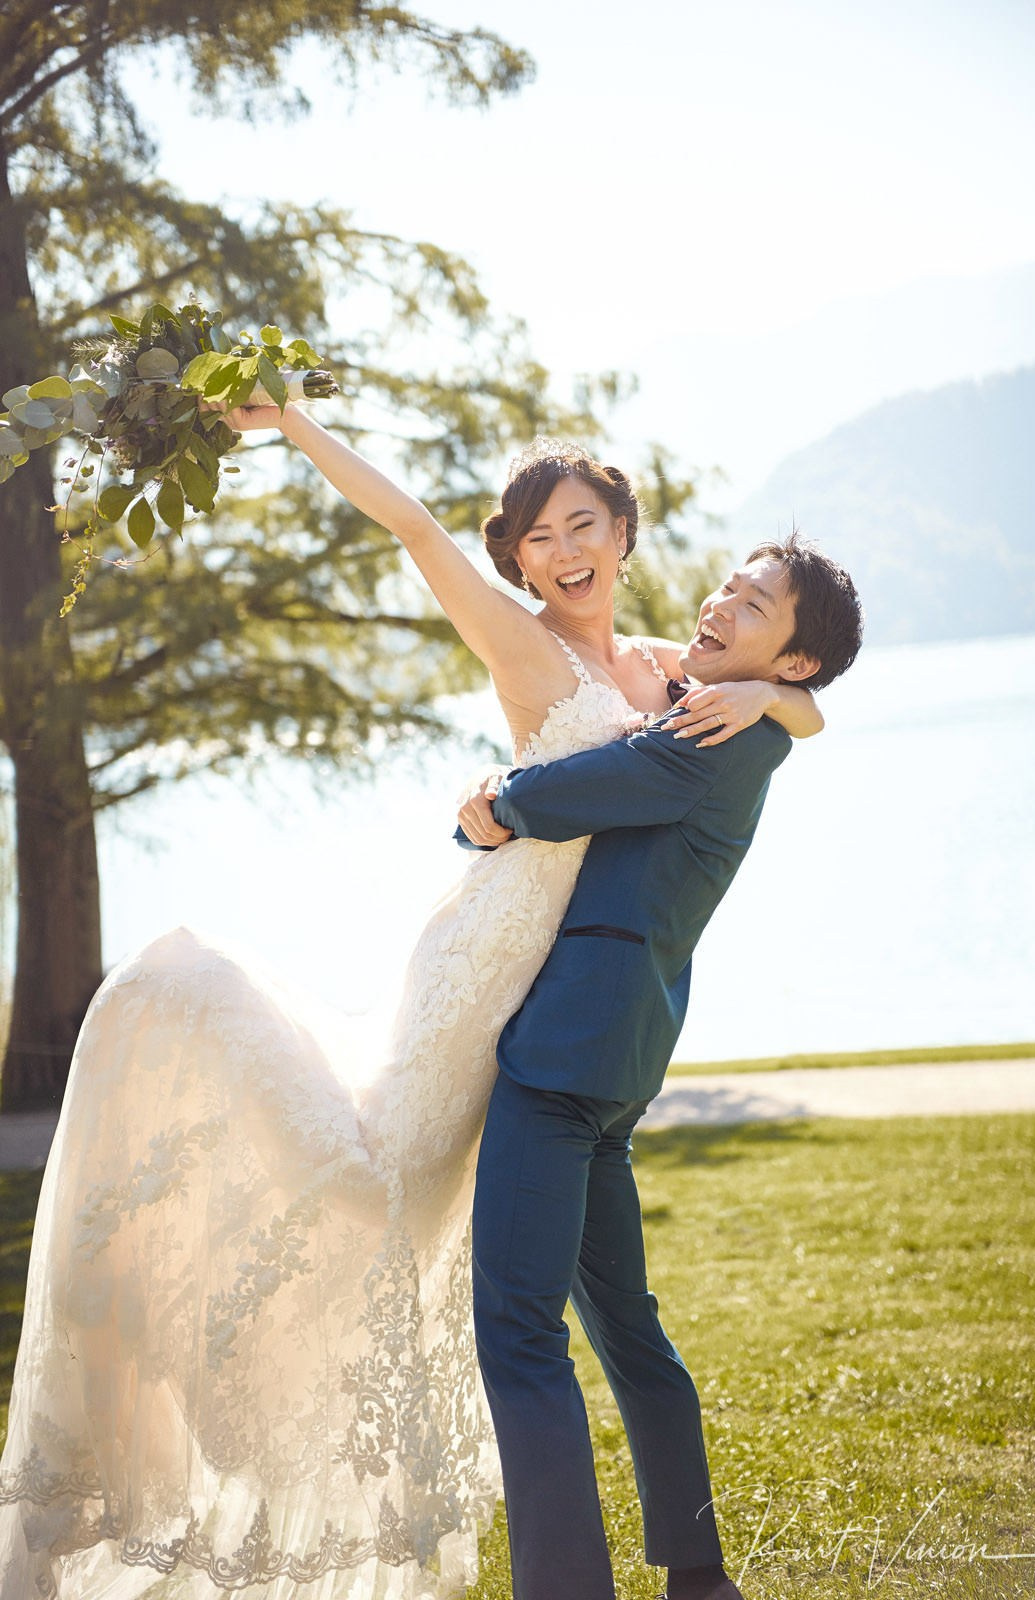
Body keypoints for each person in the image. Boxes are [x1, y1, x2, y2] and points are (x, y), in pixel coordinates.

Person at [0, 419, 823, 1599]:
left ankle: (685, 1572)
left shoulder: (675, 674)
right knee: (374, 1180)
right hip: (488, 972)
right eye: (538, 539)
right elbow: (412, 527)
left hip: (561, 1011)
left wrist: (778, 707)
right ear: (522, 565)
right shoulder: (522, 643)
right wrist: (292, 421)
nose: (563, 549)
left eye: (583, 524)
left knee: (566, 1307)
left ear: (625, 535)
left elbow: (795, 696)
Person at [455, 536, 863, 1600]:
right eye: (728, 583)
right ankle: (698, 1576)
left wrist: (498, 803)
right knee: (626, 1328)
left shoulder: (709, 732)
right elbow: (801, 713)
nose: (721, 599)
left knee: (516, 1328)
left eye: (755, 603)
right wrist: (783, 705)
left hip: (566, 1056)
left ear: (790, 660)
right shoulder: (741, 714)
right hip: (615, 1056)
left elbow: (586, 786)